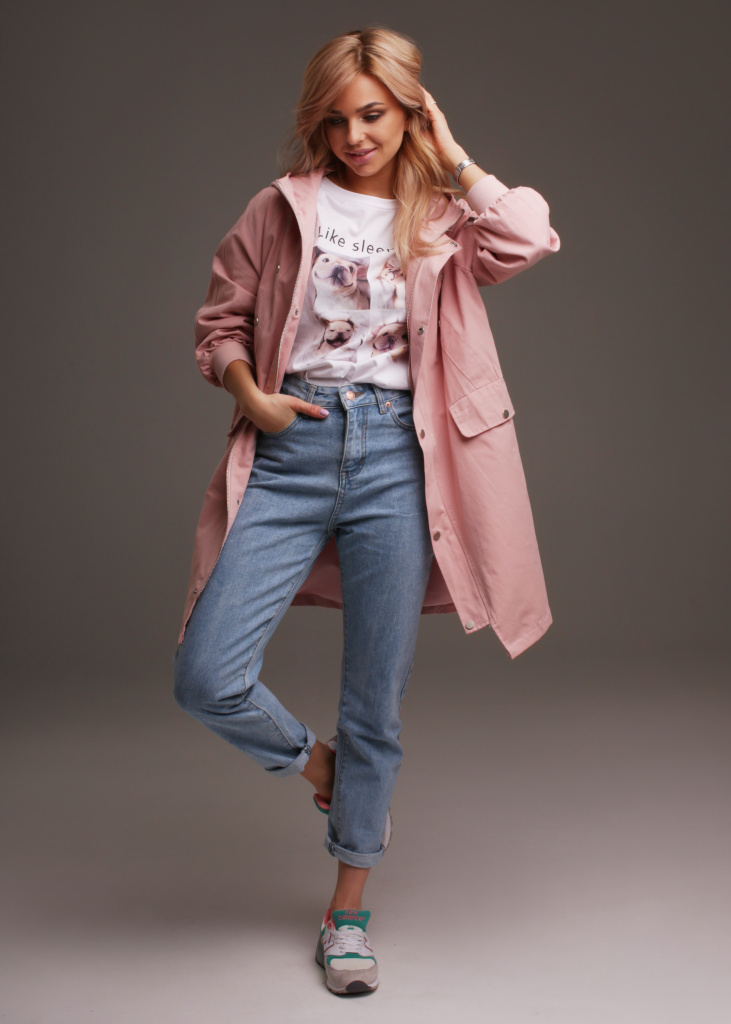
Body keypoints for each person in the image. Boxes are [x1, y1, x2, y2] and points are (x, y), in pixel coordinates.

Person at [173, 25, 560, 996]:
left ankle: (346, 916)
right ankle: (324, 773)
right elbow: (219, 323)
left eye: (375, 114)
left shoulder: (443, 216)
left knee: (374, 702)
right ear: (317, 123)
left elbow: (526, 236)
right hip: (292, 447)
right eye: (338, 119)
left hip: (398, 457)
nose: (355, 136)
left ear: (410, 111)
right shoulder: (280, 207)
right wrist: (253, 397)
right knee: (207, 673)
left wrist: (452, 154)